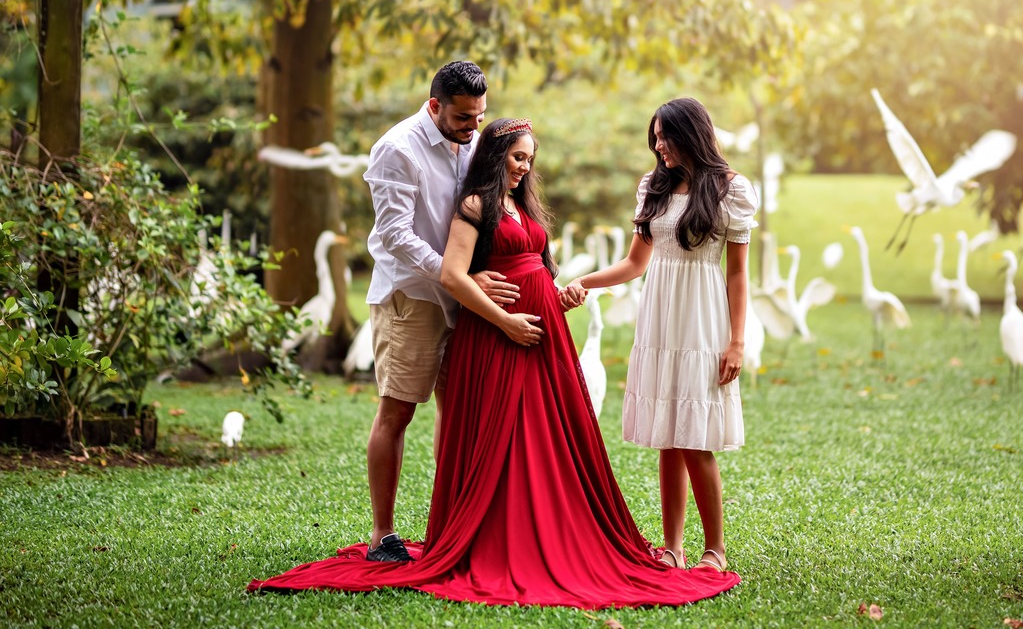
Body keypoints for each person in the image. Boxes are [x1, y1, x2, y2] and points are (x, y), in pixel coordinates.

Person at [249, 118, 739, 608]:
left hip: (549, 331)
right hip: (499, 330)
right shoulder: (475, 204)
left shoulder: (522, 203)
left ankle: (582, 530)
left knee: (550, 434)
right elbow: (454, 272)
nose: (525, 167)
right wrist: (506, 319)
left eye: (530, 158)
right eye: (517, 157)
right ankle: (441, 530)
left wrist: (566, 289)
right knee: (497, 430)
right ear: (495, 154)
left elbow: (542, 264)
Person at [569, 97, 757, 573]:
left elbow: (737, 275)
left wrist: (736, 341)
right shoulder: (653, 186)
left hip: (703, 317)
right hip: (660, 315)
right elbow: (636, 264)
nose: (658, 146)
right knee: (668, 436)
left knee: (695, 439)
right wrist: (579, 283)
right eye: (653, 137)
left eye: (664, 136)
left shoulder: (731, 190)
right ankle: (672, 547)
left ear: (690, 133)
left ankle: (714, 550)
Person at [359, 61, 518, 563]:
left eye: (480, 117)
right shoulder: (397, 149)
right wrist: (457, 275)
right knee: (399, 410)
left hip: (465, 298)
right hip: (413, 297)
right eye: (464, 118)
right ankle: (383, 534)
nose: (474, 129)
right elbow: (396, 236)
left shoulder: (471, 142)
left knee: (460, 411)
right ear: (435, 107)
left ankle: (452, 522)